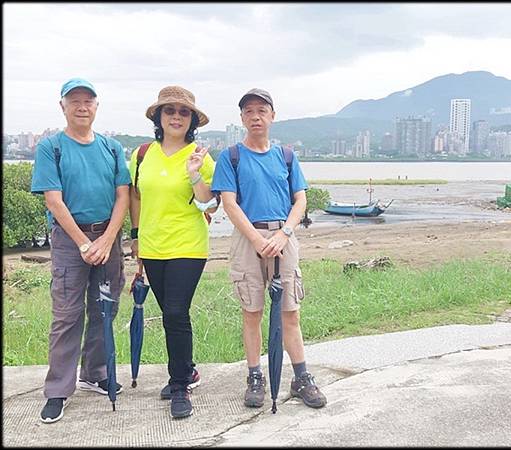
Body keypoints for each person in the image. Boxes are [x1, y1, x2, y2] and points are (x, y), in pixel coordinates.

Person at [211, 88, 327, 410]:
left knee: (290, 312)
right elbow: (229, 204)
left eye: (262, 110)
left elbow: (300, 199)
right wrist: (257, 240)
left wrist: (284, 233)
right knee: (252, 313)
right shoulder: (231, 156)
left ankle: (301, 376)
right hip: (248, 241)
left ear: (272, 116)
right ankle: (255, 375)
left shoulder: (286, 156)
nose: (256, 116)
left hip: (283, 238)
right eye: (249, 112)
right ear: (242, 119)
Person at [31, 78, 131, 423]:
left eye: (88, 101)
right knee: (66, 314)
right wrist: (85, 242)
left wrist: (106, 240)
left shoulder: (112, 147)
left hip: (109, 237)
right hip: (69, 241)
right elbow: (53, 201)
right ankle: (58, 389)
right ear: (63, 106)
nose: (82, 106)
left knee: (105, 308)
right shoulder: (51, 147)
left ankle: (96, 372)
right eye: (74, 101)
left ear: (96, 106)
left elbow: (123, 196)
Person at [129, 86, 216, 419]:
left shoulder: (200, 155)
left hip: (188, 245)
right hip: (152, 246)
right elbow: (135, 196)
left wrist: (194, 173)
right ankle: (188, 368)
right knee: (170, 313)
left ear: (191, 119)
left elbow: (209, 203)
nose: (176, 116)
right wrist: (135, 236)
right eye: (170, 111)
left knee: (176, 312)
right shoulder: (141, 155)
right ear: (159, 117)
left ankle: (180, 385)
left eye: (183, 112)